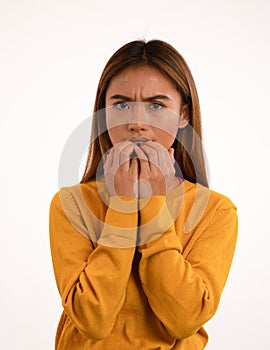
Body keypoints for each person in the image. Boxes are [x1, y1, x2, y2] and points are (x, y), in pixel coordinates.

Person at [49, 39, 238, 349]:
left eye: (156, 105)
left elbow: (184, 319)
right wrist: (123, 205)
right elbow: (92, 320)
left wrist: (153, 205)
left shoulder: (215, 211)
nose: (136, 123)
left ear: (183, 115)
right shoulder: (70, 204)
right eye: (121, 104)